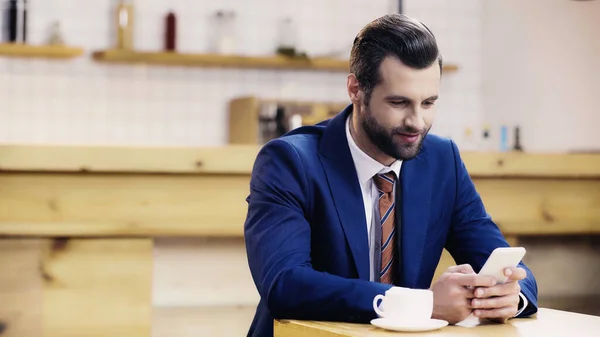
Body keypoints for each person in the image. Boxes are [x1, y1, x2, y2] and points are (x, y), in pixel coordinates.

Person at [242, 13, 538, 337]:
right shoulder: (290, 162)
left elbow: (506, 263)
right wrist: (419, 304)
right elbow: (284, 284)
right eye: (399, 102)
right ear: (356, 89)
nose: (417, 122)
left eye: (428, 103)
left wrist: (509, 296)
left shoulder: (442, 161)